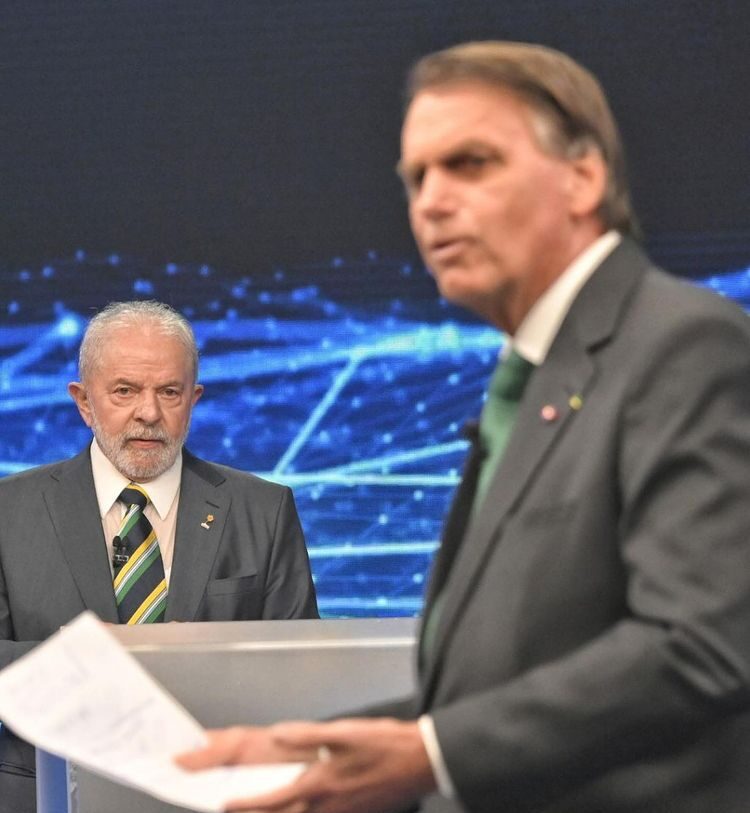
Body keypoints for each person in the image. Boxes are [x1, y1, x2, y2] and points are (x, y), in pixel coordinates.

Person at [177, 41, 750, 813]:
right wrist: (310, 754)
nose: (431, 202)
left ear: (583, 177)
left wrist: (429, 755)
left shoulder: (682, 343)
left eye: (470, 164)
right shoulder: (536, 376)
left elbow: (700, 644)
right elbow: (495, 684)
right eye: (416, 178)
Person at [0, 300, 318, 813]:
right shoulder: (8, 511)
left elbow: (302, 672)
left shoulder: (264, 509)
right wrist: (84, 661)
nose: (149, 413)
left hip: (217, 795)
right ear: (84, 402)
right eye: (124, 391)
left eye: (169, 392)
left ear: (193, 399)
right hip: (47, 794)